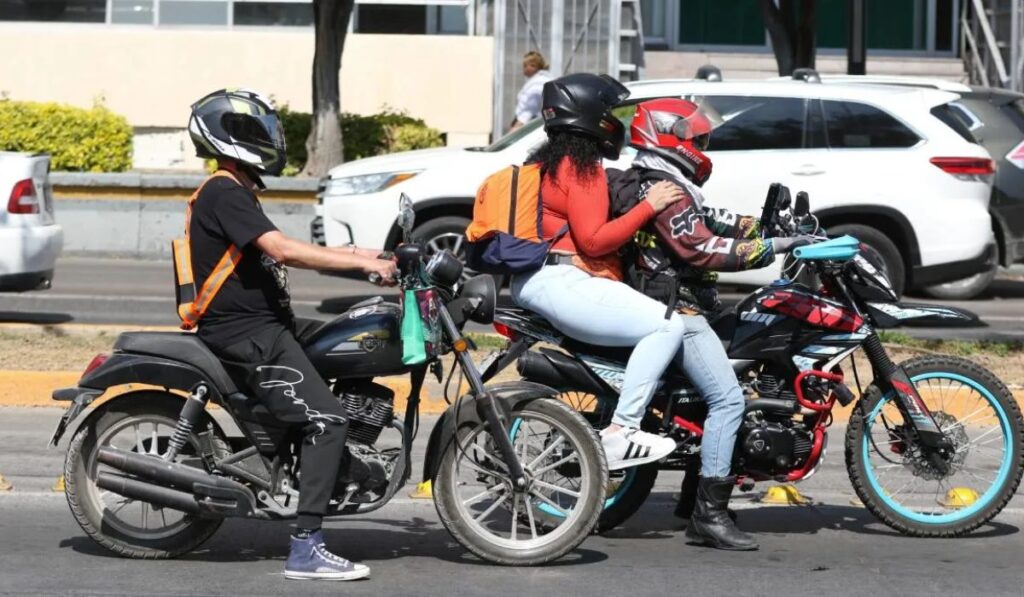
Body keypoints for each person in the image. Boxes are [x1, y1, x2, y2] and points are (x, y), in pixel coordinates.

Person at [185, 89, 397, 581]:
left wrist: (377, 257)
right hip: (247, 333)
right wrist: (364, 262)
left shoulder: (236, 190)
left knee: (348, 339)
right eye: (257, 134)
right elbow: (283, 250)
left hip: (267, 325)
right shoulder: (224, 191)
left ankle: (308, 461)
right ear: (232, 139)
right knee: (328, 420)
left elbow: (286, 250)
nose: (268, 142)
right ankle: (305, 546)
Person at [607, 97, 814, 551]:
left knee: (725, 382)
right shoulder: (663, 188)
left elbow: (710, 220)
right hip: (675, 310)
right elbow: (700, 249)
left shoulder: (663, 180)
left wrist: (767, 227)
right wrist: (776, 247)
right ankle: (709, 516)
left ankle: (690, 499)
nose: (702, 144)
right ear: (668, 137)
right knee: (727, 400)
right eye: (696, 138)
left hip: (676, 303)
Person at [509, 73, 687, 472]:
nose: (614, 120)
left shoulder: (548, 160)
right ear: (590, 116)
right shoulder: (582, 168)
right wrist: (650, 206)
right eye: (608, 112)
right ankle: (622, 431)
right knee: (666, 327)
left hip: (538, 280)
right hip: (562, 281)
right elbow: (594, 241)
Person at [509, 51, 554, 131]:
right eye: (524, 65)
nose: (525, 68)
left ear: (536, 66)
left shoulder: (537, 84)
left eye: (530, 65)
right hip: (540, 123)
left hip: (531, 125)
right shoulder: (543, 81)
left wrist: (517, 126)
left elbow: (530, 109)